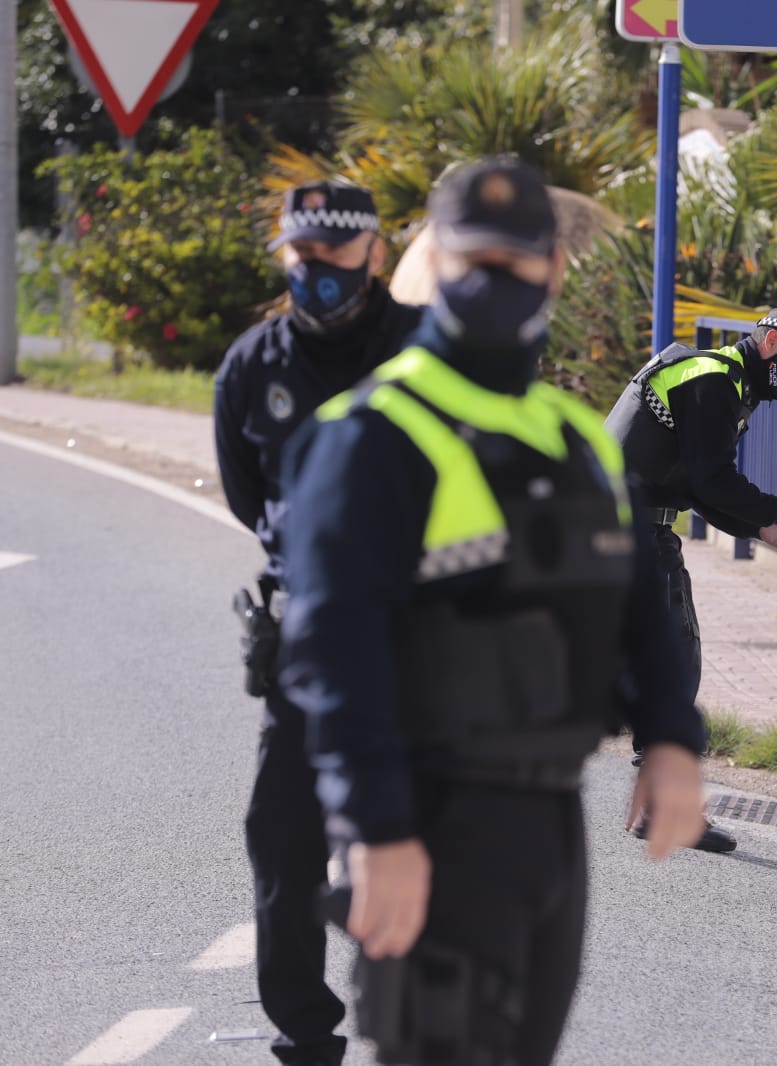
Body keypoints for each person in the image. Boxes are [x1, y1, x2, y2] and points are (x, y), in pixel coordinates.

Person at [276, 156, 709, 1065]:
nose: (496, 283)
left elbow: (642, 606)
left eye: (515, 263)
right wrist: (379, 832)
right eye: (473, 261)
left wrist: (672, 741)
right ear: (436, 265)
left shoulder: (575, 434)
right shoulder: (372, 437)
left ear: (553, 268)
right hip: (429, 815)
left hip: (552, 822)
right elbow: (333, 654)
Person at [213, 180, 423, 1066]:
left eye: (335, 258)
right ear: (284, 256)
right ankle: (304, 1032)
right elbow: (246, 497)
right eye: (302, 258)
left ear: (373, 254)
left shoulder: (430, 355)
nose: (318, 274)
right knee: (284, 841)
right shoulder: (253, 367)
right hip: (307, 647)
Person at [604, 307, 777, 852]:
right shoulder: (713, 380)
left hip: (625, 526)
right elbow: (711, 479)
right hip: (623, 528)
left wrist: (760, 525)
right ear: (770, 343)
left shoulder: (725, 383)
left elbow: (696, 484)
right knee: (673, 656)